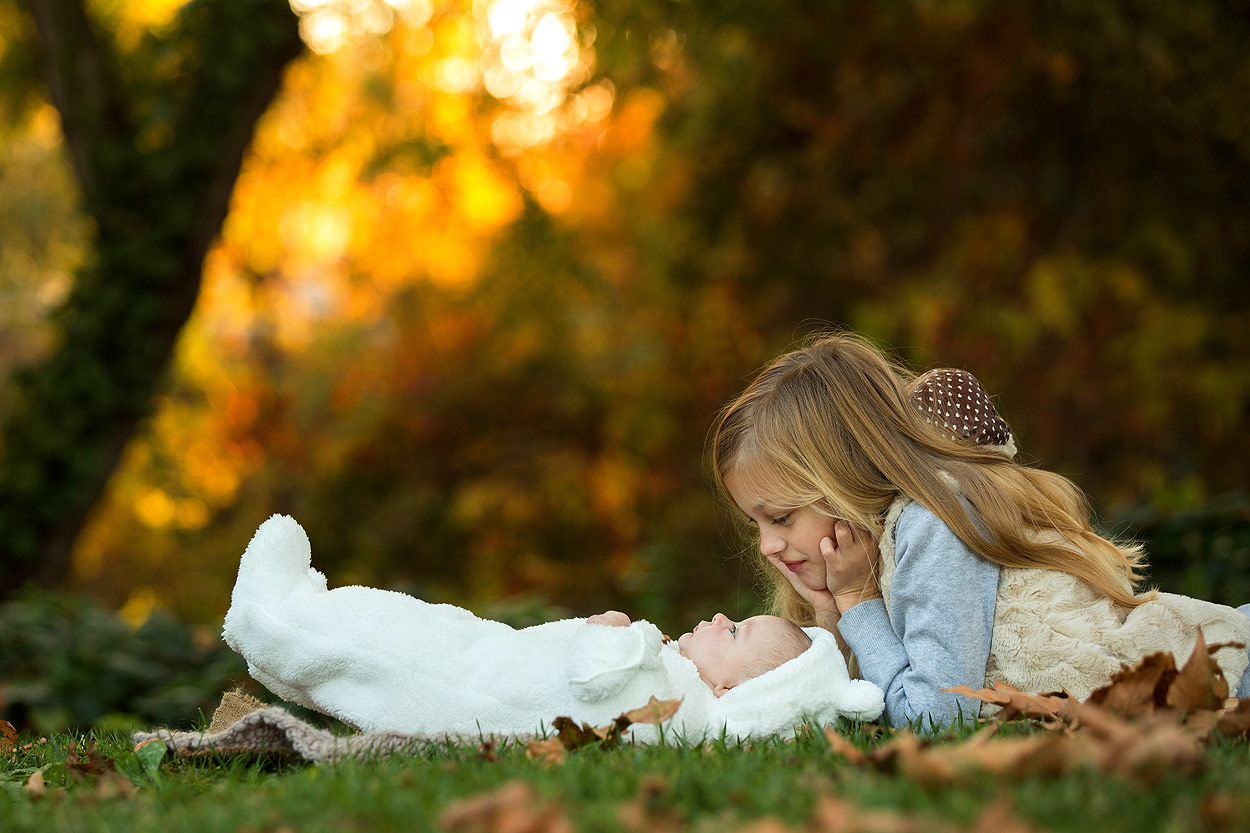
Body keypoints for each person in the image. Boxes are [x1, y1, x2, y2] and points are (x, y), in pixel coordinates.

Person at [709, 332, 1250, 730]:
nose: (767, 545)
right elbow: (867, 703)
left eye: (780, 517)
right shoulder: (879, 553)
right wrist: (833, 616)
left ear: (843, 475)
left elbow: (934, 716)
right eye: (754, 522)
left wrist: (858, 606)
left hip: (1217, 671)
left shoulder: (932, 525)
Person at [223, 515, 884, 740]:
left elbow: (598, 681)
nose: (717, 617)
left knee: (390, 641)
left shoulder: (675, 700)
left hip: (481, 679)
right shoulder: (683, 690)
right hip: (493, 661)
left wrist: (614, 631)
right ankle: (290, 625)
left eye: (735, 631)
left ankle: (275, 615)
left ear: (736, 689)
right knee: (383, 656)